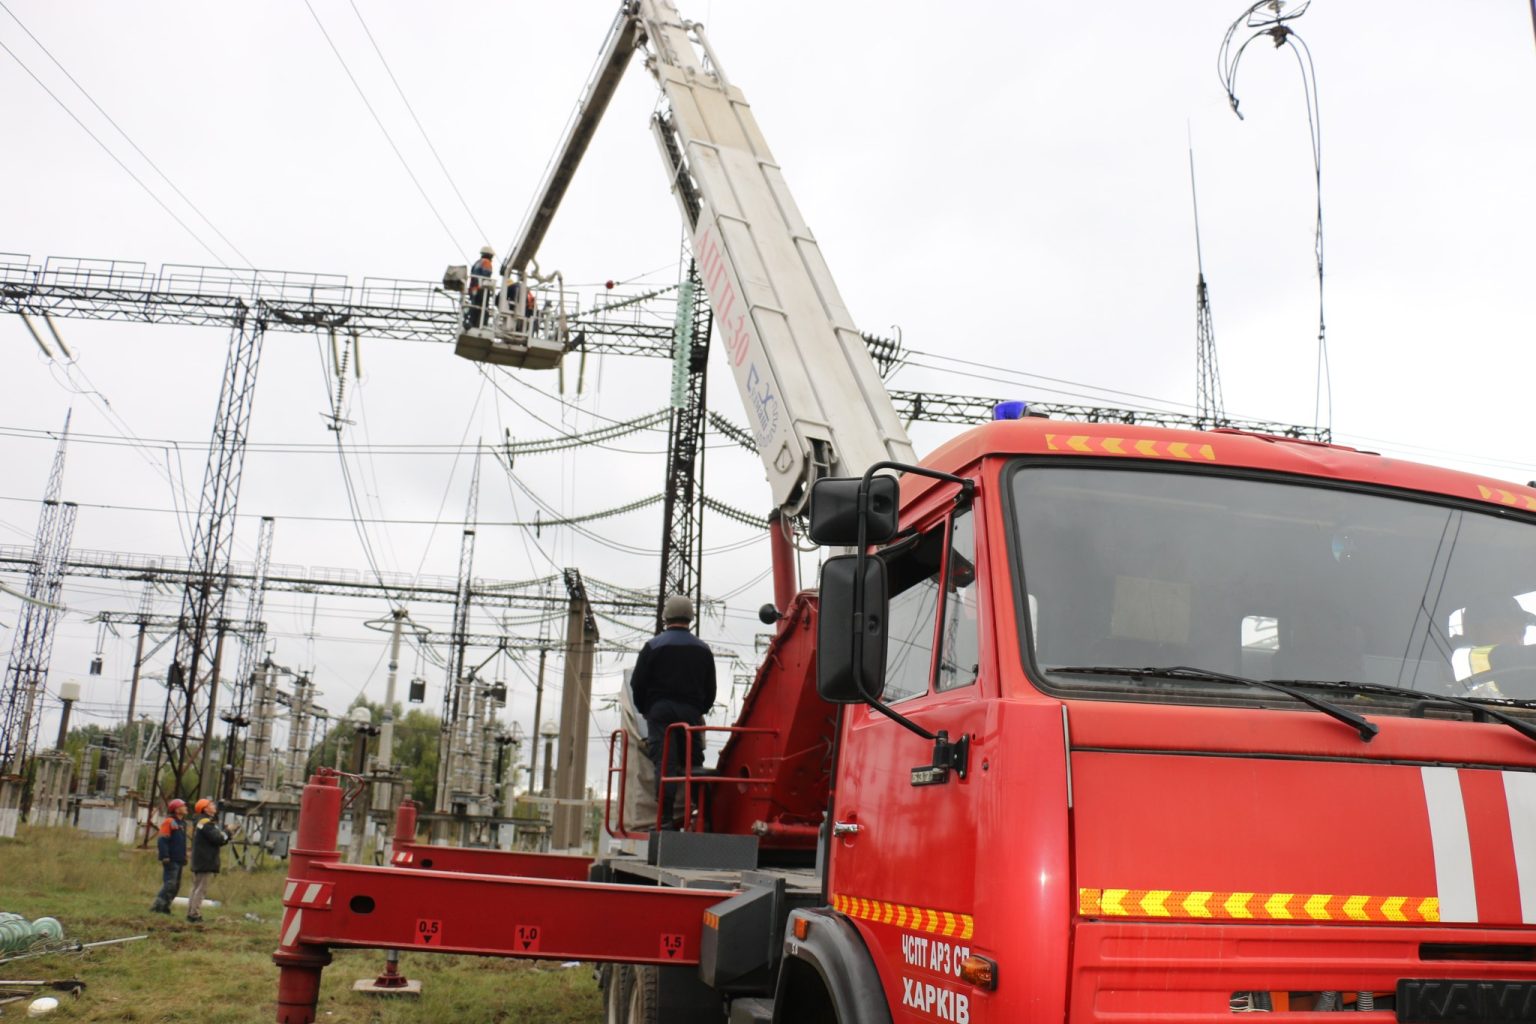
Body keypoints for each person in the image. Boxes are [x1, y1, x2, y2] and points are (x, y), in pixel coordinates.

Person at [630, 595, 716, 828]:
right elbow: (711, 689)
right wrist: (699, 709)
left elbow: (638, 684)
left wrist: (646, 709)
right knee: (693, 760)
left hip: (661, 711)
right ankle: (702, 813)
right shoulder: (703, 649)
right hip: (691, 712)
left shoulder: (653, 646)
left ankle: (666, 817)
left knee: (665, 761)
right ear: (691, 617)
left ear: (665, 616)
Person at [1454, 596, 1536, 695]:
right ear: (1472, 630)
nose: (1516, 641)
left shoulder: (1525, 674)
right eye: (1504, 628)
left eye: (1520, 633)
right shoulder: (1456, 660)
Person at [187, 798, 235, 923]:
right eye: (211, 805)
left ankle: (191, 913)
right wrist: (228, 832)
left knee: (196, 887)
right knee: (201, 889)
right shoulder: (206, 823)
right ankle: (194, 914)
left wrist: (225, 833)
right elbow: (218, 839)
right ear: (205, 809)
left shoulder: (201, 822)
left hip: (200, 860)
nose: (214, 806)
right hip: (206, 860)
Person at [149, 798, 188, 914]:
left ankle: (165, 907)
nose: (186, 808)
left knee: (176, 886)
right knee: (170, 884)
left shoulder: (182, 824)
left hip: (179, 859)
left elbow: (182, 842)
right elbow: (162, 840)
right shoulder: (169, 822)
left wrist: (184, 856)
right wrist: (165, 855)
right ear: (176, 809)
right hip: (170, 859)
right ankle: (157, 907)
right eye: (183, 806)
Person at [466, 245, 494, 328]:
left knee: (474, 307)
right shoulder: (487, 263)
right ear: (489, 255)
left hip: (474, 289)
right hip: (481, 289)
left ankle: (472, 323)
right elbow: (486, 276)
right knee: (483, 308)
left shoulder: (476, 263)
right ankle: (482, 324)